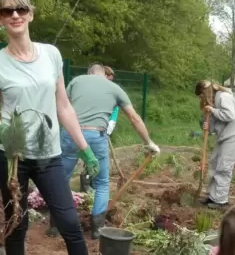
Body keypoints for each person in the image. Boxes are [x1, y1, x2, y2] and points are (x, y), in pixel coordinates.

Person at [0, 0, 99, 255]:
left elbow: (63, 105)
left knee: (69, 220)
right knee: (15, 224)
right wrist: (2, 129)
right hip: (13, 157)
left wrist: (85, 150)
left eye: (20, 9)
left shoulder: (51, 55)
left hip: (48, 156)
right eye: (7, 11)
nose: (14, 15)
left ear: (31, 13)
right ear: (0, 19)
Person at [47, 63, 159, 238]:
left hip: (71, 134)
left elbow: (60, 106)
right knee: (102, 183)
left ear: (89, 73)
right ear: (104, 74)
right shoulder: (115, 88)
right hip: (95, 135)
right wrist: (149, 142)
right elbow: (134, 118)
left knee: (61, 178)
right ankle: (97, 229)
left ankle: (55, 225)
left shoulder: (76, 81)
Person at [195, 80, 235, 209]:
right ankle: (212, 196)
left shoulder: (224, 97)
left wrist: (212, 110)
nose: (201, 99)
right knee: (214, 163)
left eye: (201, 96)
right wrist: (206, 125)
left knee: (224, 167)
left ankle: (221, 201)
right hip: (223, 137)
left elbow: (229, 115)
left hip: (233, 136)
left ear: (204, 92)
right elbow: (212, 127)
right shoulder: (212, 102)